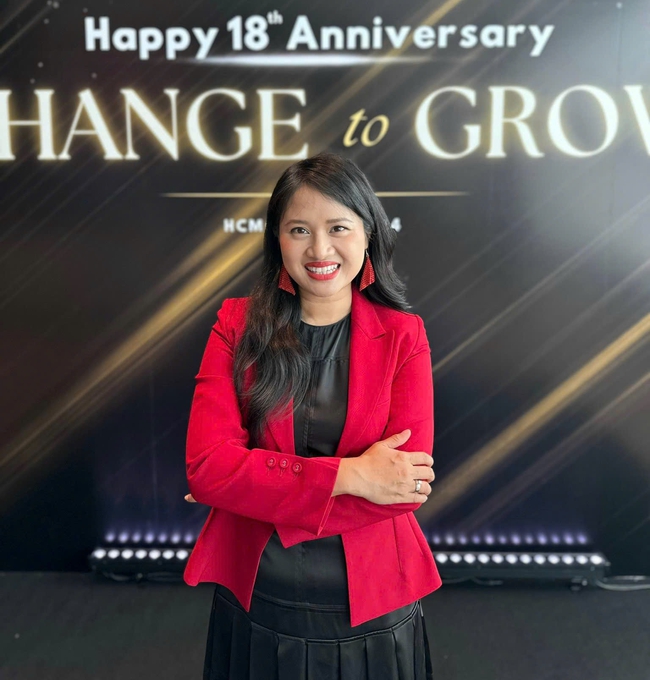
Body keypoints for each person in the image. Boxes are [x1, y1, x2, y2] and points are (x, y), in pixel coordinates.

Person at [183, 151, 441, 679]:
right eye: (299, 229)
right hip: (261, 593)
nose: (319, 249)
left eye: (338, 227)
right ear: (277, 239)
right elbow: (207, 468)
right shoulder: (236, 326)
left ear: (368, 232)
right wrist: (352, 476)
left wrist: (249, 486)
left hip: (373, 601)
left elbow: (405, 487)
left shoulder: (404, 335)